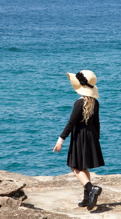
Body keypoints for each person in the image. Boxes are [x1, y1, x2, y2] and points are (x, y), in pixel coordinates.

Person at [52, 70, 104, 210]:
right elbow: (97, 123)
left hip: (80, 137)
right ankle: (87, 198)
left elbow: (71, 123)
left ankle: (91, 188)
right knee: (84, 166)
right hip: (91, 136)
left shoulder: (79, 103)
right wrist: (96, 140)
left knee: (74, 166)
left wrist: (60, 140)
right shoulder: (95, 102)